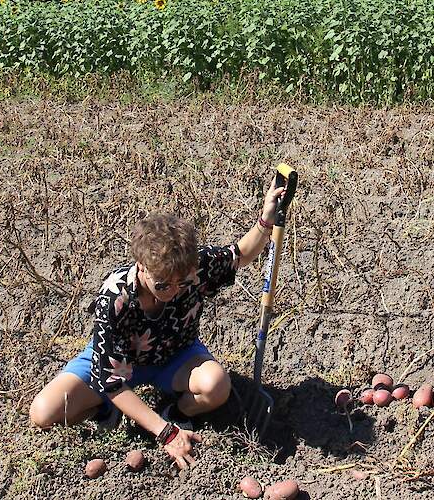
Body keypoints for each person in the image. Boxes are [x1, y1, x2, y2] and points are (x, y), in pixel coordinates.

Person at [29, 179, 285, 469]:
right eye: (163, 284)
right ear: (141, 266)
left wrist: (266, 219)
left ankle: (173, 409)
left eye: (182, 282)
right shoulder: (115, 299)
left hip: (175, 358)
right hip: (118, 364)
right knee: (44, 413)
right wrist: (165, 433)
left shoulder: (193, 266)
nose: (174, 291)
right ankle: (107, 409)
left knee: (216, 385)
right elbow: (112, 382)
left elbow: (239, 255)